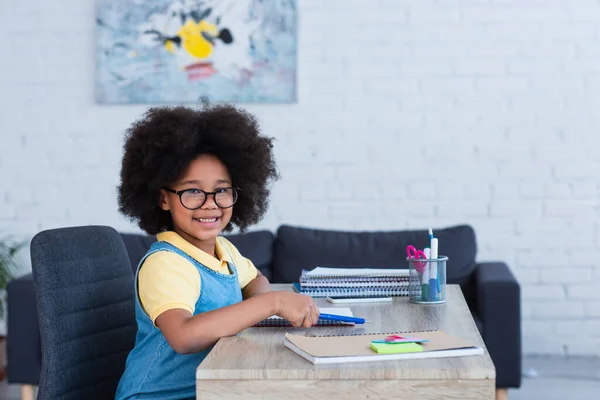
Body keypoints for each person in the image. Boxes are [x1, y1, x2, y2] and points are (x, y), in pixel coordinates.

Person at [115, 103, 319, 400]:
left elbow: (254, 280)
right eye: (193, 191)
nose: (210, 203)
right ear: (163, 199)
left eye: (222, 190)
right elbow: (183, 336)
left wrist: (265, 301)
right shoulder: (166, 263)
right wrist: (272, 303)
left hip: (213, 390)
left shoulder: (222, 249)